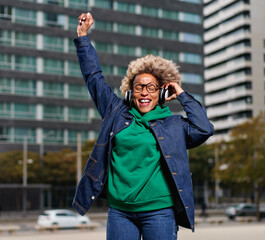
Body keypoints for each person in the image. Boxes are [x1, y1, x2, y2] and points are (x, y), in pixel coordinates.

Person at [72, 12, 214, 240]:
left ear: (162, 91)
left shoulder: (174, 124)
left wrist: (181, 94)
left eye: (151, 87)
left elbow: (204, 129)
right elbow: (94, 77)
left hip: (159, 212)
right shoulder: (116, 112)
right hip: (120, 212)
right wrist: (83, 38)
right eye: (139, 87)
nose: (144, 93)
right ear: (130, 91)